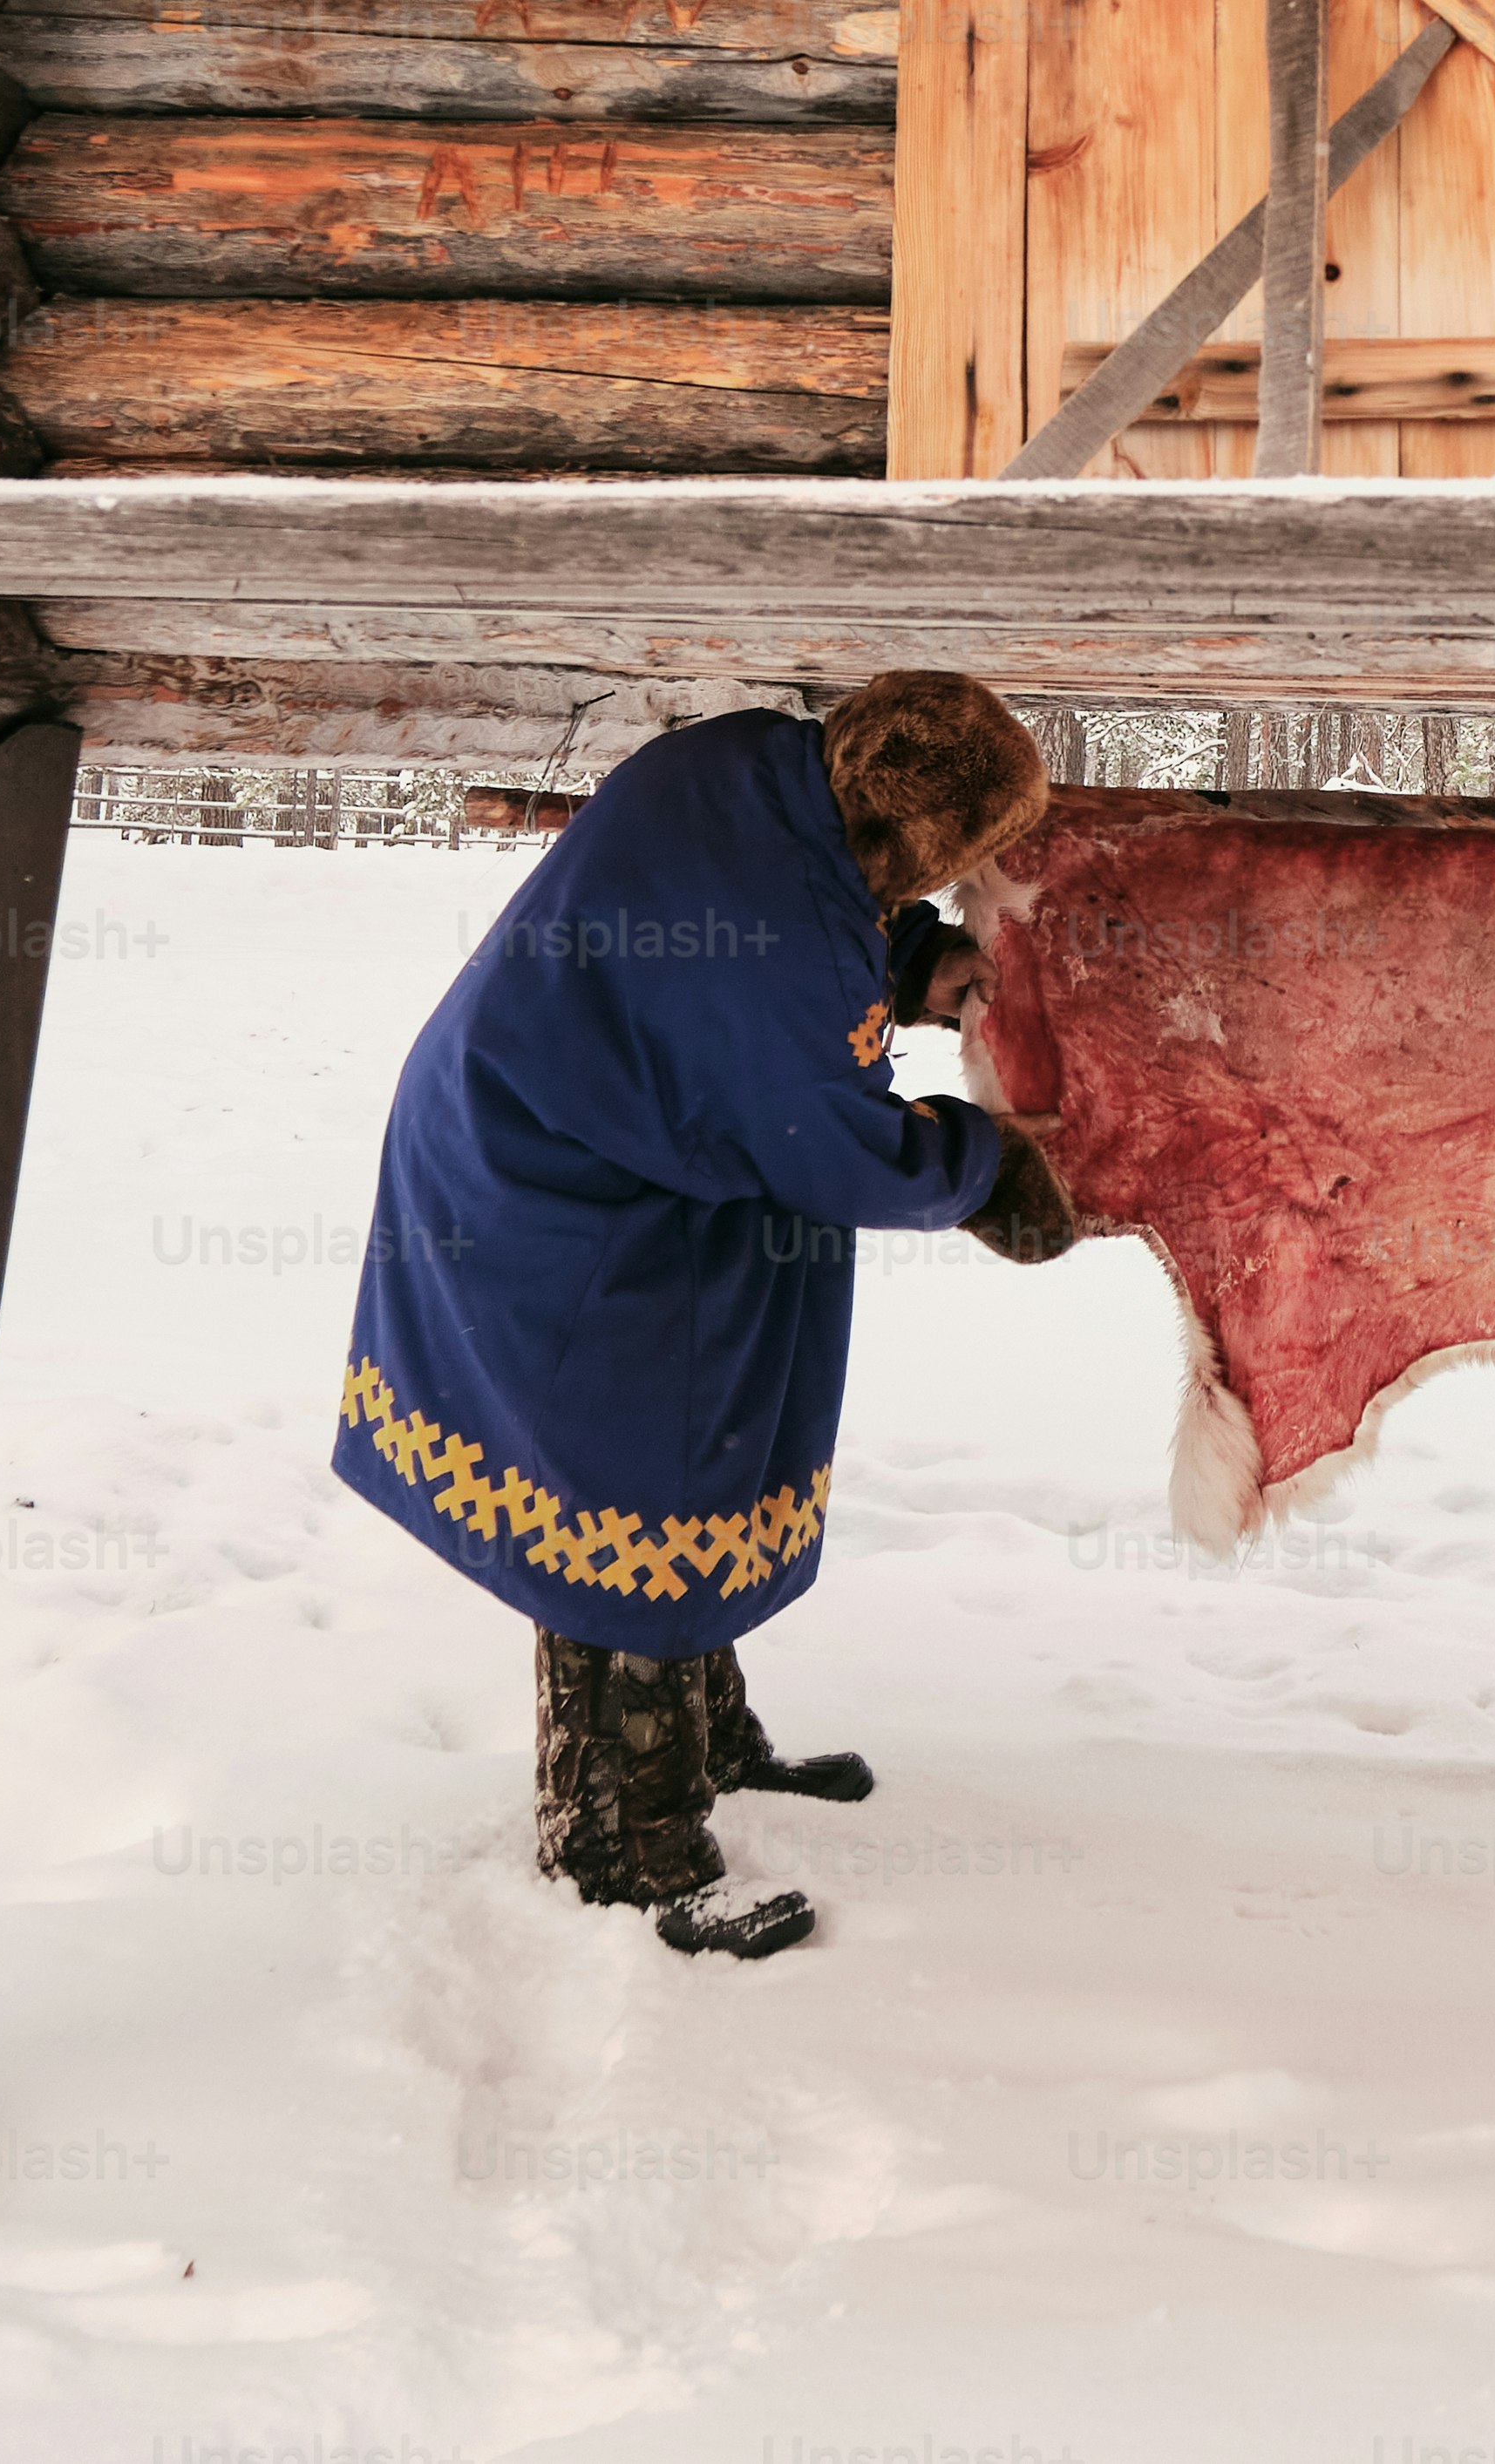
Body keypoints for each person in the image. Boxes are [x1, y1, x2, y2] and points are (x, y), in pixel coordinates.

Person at [332, 673, 1079, 1957]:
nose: (949, 881)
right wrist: (986, 1169)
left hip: (605, 1140)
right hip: (562, 1197)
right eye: (942, 870)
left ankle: (704, 1733)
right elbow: (827, 1142)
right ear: (901, 838)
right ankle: (627, 1842)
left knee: (713, 1447)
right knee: (633, 1494)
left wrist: (914, 962)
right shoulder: (775, 931)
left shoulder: (761, 768)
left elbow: (798, 930)